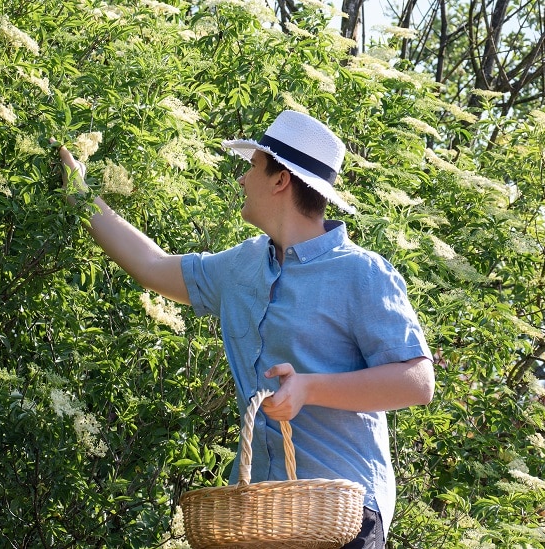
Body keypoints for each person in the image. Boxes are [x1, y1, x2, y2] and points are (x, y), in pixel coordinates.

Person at [55, 110, 435, 548]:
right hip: (258, 518)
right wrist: (78, 190)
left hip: (343, 518)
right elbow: (150, 265)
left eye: (252, 166)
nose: (241, 179)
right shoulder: (242, 266)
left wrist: (309, 388)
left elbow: (417, 382)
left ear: (280, 181)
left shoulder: (362, 273)